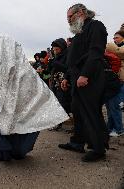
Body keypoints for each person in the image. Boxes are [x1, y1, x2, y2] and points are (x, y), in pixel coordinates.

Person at [0, 8, 69, 162]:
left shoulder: (1, 41)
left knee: (7, 115)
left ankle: (6, 152)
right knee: (13, 118)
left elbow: (2, 69)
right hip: (14, 85)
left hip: (17, 86)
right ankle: (12, 151)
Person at [59, 4, 109, 162]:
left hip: (90, 77)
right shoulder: (79, 33)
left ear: (81, 13)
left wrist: (85, 74)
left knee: (91, 111)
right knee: (77, 110)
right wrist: (67, 77)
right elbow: (72, 60)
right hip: (76, 77)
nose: (68, 21)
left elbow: (96, 52)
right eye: (67, 18)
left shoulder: (96, 26)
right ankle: (77, 142)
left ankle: (98, 148)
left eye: (70, 17)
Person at [48, 38, 71, 131]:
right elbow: (51, 70)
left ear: (62, 47)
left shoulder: (67, 55)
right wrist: (50, 63)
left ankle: (59, 123)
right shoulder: (56, 57)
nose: (55, 51)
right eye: (54, 49)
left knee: (63, 103)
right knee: (57, 103)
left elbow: (67, 68)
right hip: (55, 83)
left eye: (57, 49)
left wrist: (55, 63)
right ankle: (58, 122)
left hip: (64, 83)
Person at [105, 30, 124, 137]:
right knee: (110, 105)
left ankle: (119, 129)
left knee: (115, 106)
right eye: (114, 37)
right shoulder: (115, 49)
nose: (114, 39)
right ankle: (110, 128)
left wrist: (109, 47)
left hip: (121, 81)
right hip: (113, 81)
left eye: (116, 37)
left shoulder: (118, 49)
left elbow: (120, 52)